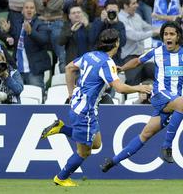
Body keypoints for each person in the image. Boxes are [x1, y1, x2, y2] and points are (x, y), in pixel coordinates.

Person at [40, 28, 151, 187]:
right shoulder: (107, 63)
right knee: (84, 152)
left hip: (81, 106)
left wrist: (71, 94)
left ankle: (61, 128)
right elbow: (119, 88)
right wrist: (139, 88)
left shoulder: (89, 55)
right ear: (117, 44)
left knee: (96, 143)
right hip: (85, 112)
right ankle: (61, 177)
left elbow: (69, 68)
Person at [100, 21, 183, 173]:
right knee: (182, 104)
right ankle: (166, 147)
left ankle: (112, 161)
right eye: (165, 34)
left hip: (174, 101)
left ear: (178, 36)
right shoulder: (157, 51)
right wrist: (122, 68)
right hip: (159, 95)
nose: (168, 37)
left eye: (171, 34)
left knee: (145, 134)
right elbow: (138, 61)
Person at [118, 0, 158, 85]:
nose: (137, 5)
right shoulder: (120, 19)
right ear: (125, 6)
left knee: (157, 72)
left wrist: (164, 28)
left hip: (141, 57)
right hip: (128, 58)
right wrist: (154, 32)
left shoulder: (136, 16)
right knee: (133, 82)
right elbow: (134, 36)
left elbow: (148, 27)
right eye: (134, 3)